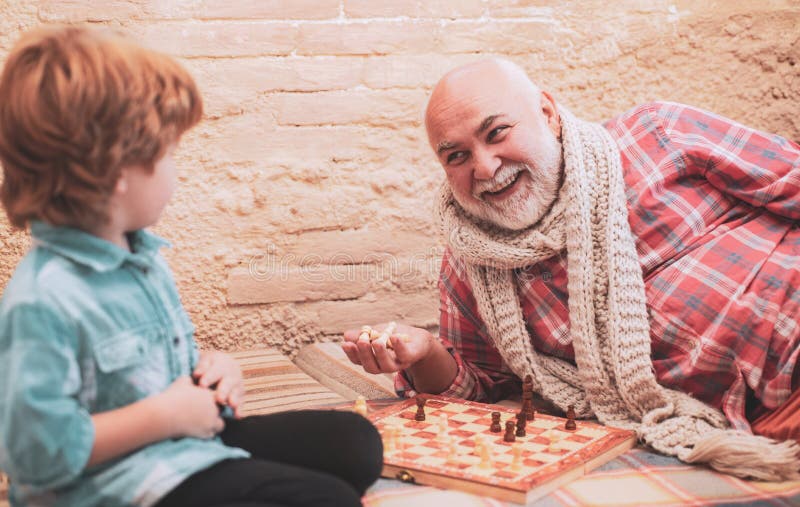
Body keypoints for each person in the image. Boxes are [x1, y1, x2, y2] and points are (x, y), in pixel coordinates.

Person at [343, 58, 800, 480]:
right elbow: (478, 385)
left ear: (547, 113)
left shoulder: (657, 134)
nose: (485, 167)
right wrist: (424, 352)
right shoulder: (470, 268)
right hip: (764, 413)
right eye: (456, 156)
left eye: (497, 132)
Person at [0, 25, 382, 507]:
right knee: (322, 498)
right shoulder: (44, 300)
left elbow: (163, 373)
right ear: (117, 170)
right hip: (116, 484)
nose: (175, 172)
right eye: (169, 154)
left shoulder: (142, 260)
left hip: (184, 445)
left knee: (354, 442)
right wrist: (168, 416)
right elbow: (35, 454)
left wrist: (214, 371)